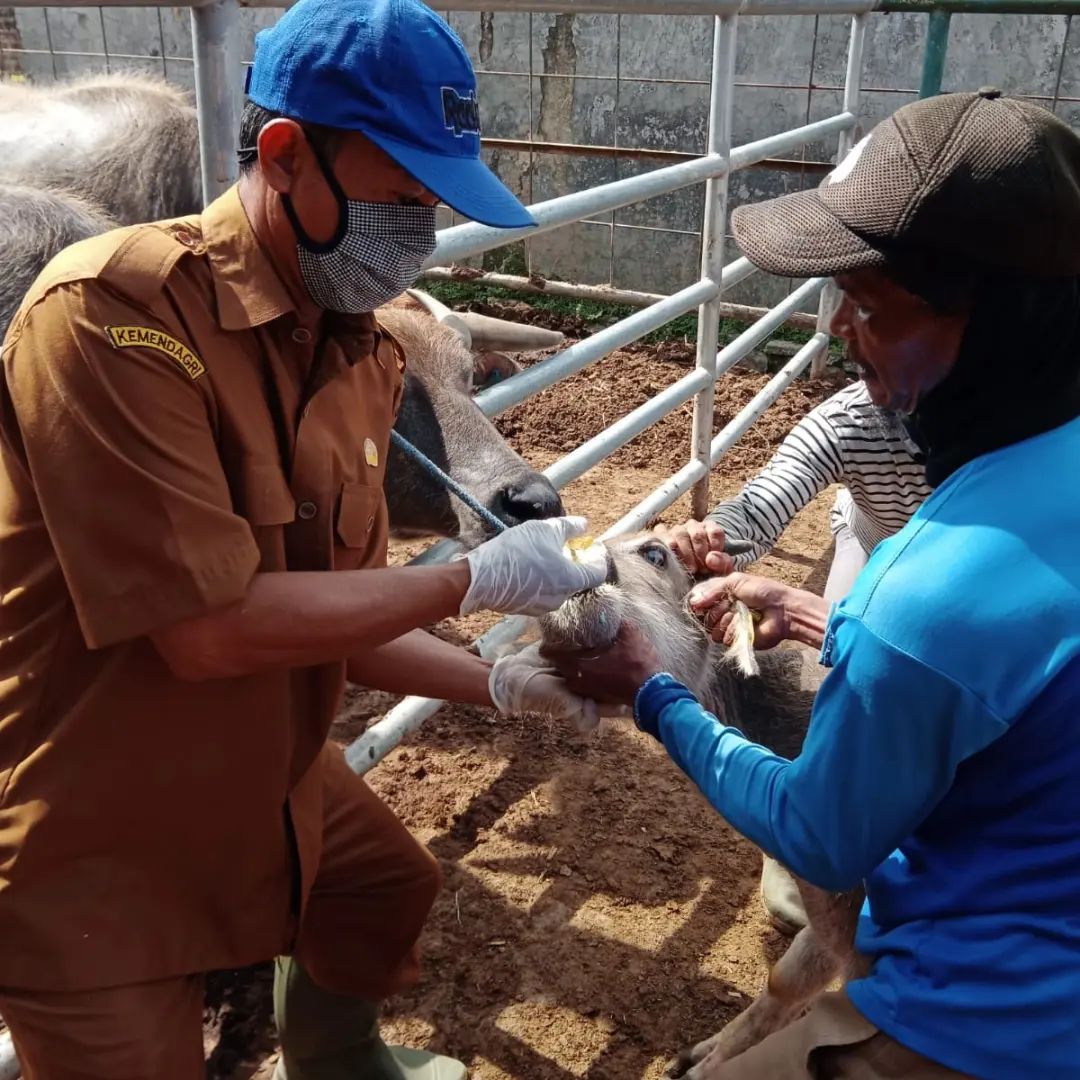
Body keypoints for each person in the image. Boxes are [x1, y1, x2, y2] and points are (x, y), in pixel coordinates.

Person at [0, 2, 604, 1078]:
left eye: (434, 204)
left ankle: (336, 1064)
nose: (419, 233)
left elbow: (339, 620)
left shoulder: (361, 353)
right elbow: (209, 631)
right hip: (93, 808)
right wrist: (471, 580)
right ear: (284, 155)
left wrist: (506, 686)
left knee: (384, 886)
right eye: (402, 197)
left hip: (251, 748)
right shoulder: (110, 316)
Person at [552, 89, 1080, 1079]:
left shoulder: (923, 599)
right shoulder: (1031, 459)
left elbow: (821, 832)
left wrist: (655, 695)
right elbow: (776, 507)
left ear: (998, 323)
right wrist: (787, 593)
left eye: (870, 306)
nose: (839, 329)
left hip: (1005, 1018)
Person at [659, 383, 933, 934]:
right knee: (838, 680)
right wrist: (708, 541)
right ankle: (802, 829)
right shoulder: (854, 416)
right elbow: (763, 503)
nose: (854, 340)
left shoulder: (1034, 411)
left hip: (981, 562)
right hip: (877, 543)